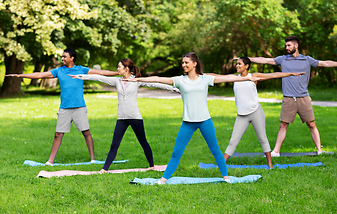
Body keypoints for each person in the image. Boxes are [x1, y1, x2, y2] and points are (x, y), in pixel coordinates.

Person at [126, 52, 262, 184]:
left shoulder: (205, 79)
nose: (183, 65)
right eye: (183, 62)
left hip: (205, 121)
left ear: (195, 63)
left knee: (215, 150)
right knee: (176, 153)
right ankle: (163, 179)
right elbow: (158, 78)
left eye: (186, 62)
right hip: (188, 122)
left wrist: (247, 78)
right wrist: (137, 79)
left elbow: (228, 78)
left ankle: (226, 177)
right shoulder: (180, 80)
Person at [249, 36, 337, 157]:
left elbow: (326, 63)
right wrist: (246, 59)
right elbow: (264, 60)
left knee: (311, 124)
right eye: (286, 46)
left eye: (289, 45)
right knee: (283, 125)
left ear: (296, 46)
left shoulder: (307, 59)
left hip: (304, 98)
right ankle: (276, 151)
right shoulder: (283, 59)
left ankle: (319, 151)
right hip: (289, 98)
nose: (286, 48)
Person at [6, 48, 119, 165]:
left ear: (72, 58)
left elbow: (101, 73)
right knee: (58, 134)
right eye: (62, 56)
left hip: (79, 107)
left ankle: (93, 160)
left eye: (65, 56)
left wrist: (118, 73)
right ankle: (50, 162)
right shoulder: (59, 71)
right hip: (64, 108)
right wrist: (20, 75)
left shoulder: (81, 70)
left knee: (86, 132)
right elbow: (40, 74)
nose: (62, 58)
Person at [70, 58, 180, 173]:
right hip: (121, 118)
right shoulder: (117, 81)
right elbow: (99, 77)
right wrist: (79, 76)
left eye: (119, 67)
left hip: (135, 117)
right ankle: (104, 169)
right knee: (114, 145)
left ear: (126, 68)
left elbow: (155, 84)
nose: (117, 69)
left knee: (143, 142)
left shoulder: (137, 80)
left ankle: (152, 166)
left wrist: (174, 89)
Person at [209, 57, 304, 168]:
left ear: (247, 66)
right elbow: (215, 76)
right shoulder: (234, 78)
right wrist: (198, 74)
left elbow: (273, 75)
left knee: (262, 138)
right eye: (237, 64)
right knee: (233, 141)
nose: (237, 66)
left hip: (256, 112)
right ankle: (220, 164)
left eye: (240, 64)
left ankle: (270, 165)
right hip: (242, 115)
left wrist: (291, 73)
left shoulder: (253, 77)